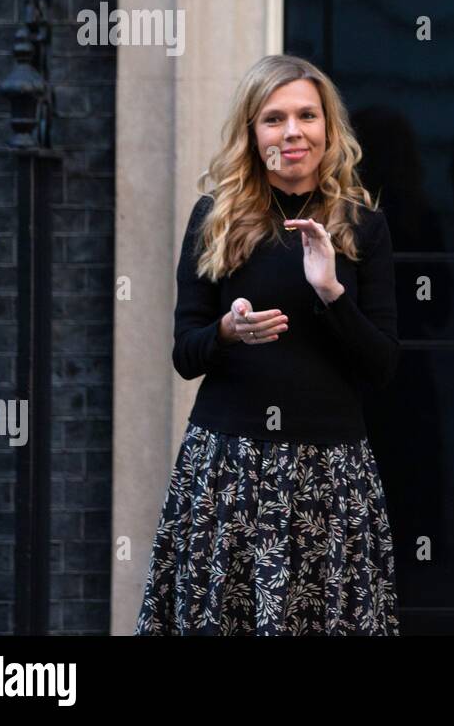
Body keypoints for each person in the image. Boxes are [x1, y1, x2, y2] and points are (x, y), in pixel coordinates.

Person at [135, 54, 400, 635]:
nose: (292, 132)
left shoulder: (361, 225)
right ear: (252, 134)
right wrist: (228, 332)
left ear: (329, 127)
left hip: (330, 470)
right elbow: (185, 353)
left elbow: (381, 364)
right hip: (230, 466)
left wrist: (331, 291)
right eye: (274, 118)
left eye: (307, 115)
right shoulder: (217, 219)